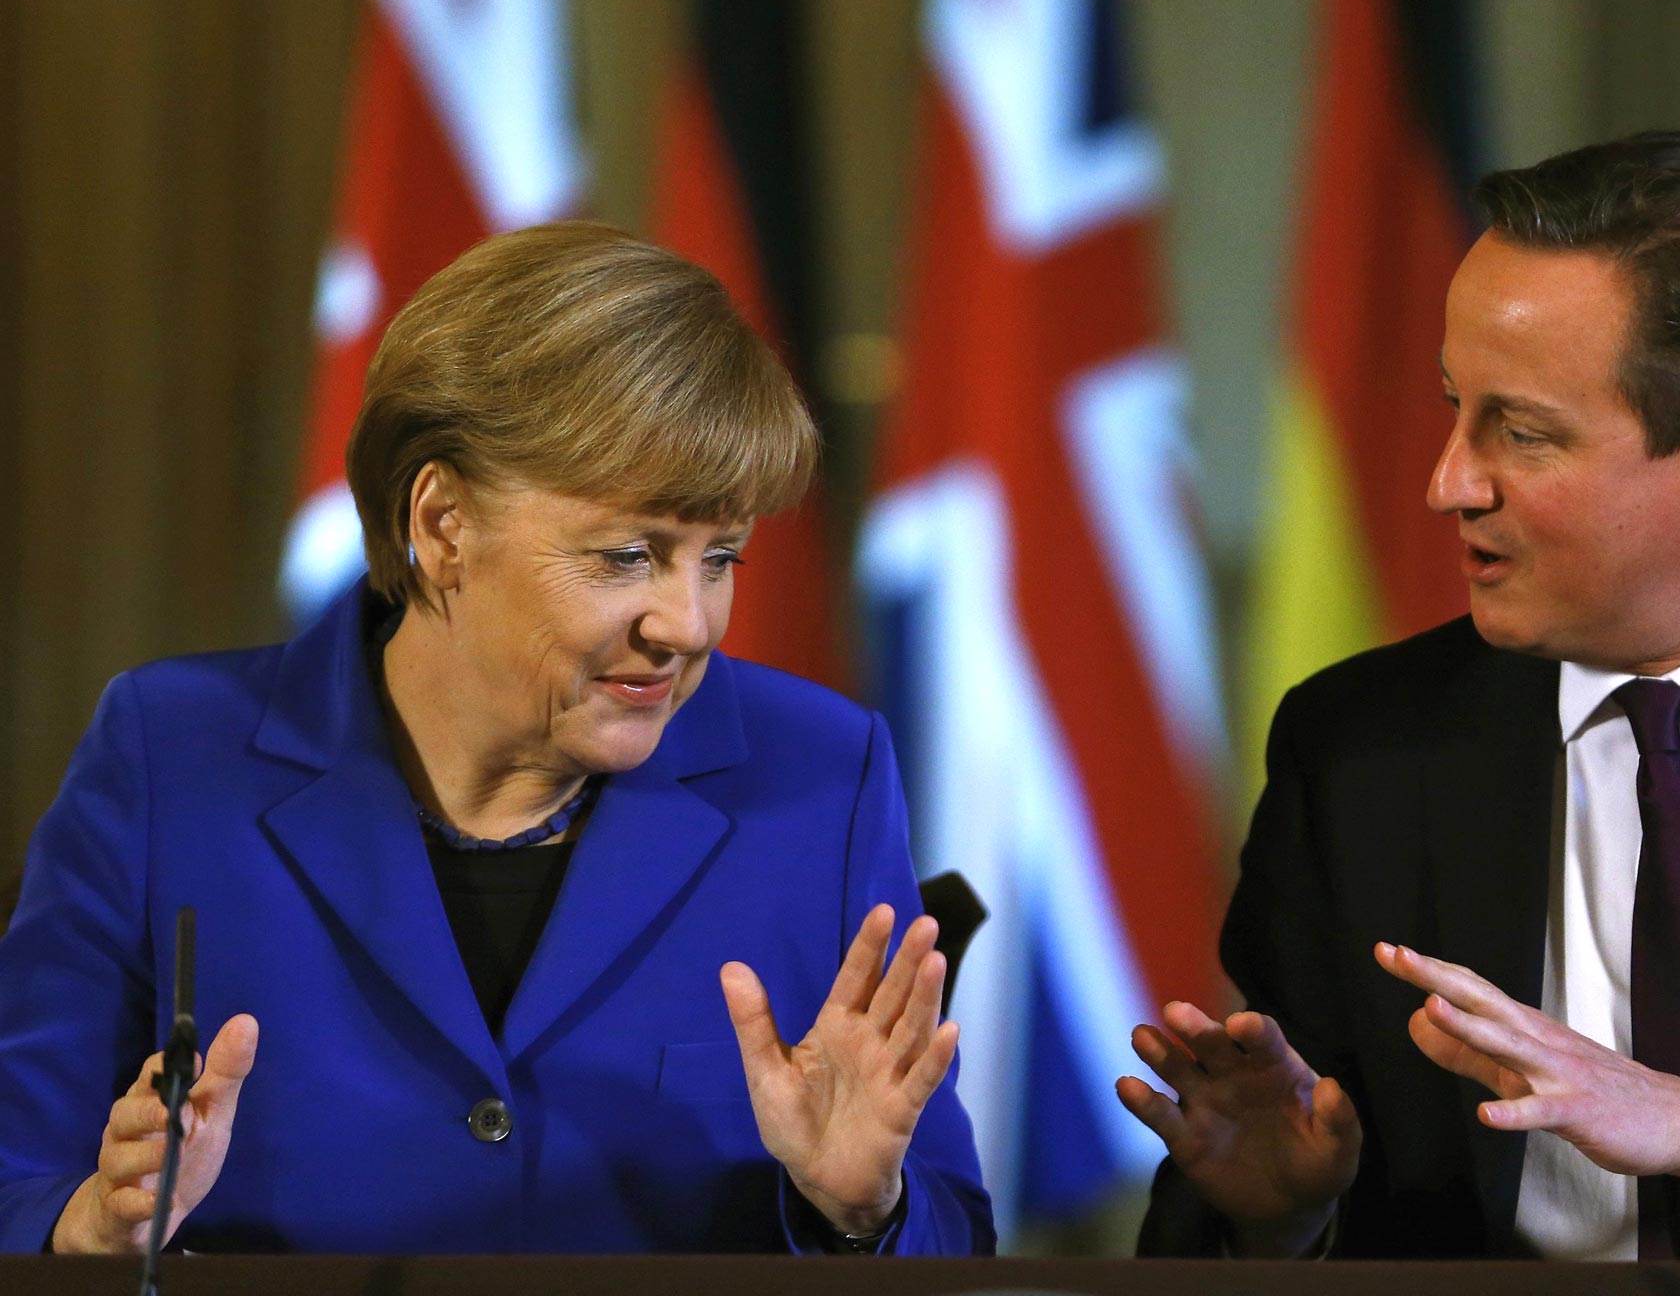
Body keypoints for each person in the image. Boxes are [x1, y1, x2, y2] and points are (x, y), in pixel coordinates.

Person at [1121, 131, 1680, 1261]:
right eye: (1454, 408)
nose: (1446, 483)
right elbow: (1258, 1190)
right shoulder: (1359, 748)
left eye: (1518, 432)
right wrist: (1279, 1210)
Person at [0, 223, 994, 1256]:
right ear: (441, 526)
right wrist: (87, 1230)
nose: (688, 626)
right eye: (627, 557)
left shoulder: (820, 778)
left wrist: (859, 1211)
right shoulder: (170, 757)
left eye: (720, 559)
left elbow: (952, 1235)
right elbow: (15, 1179)